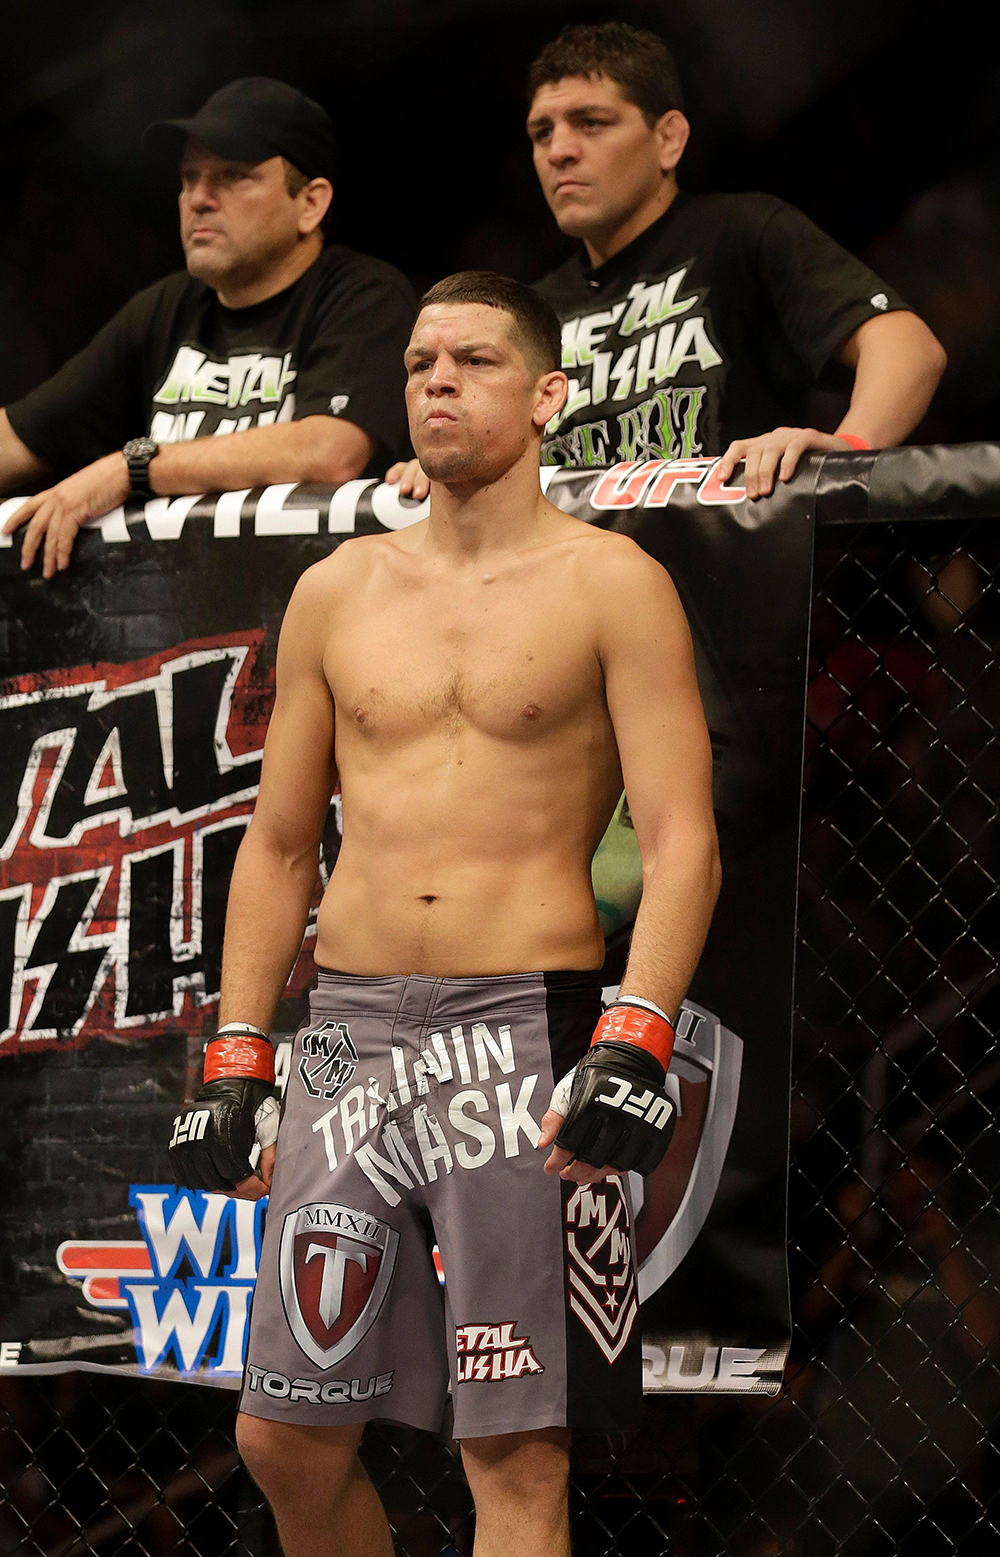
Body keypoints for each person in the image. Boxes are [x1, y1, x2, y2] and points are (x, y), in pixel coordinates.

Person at [168, 271, 720, 1557]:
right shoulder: (339, 590)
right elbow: (282, 839)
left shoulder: (611, 583)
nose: (437, 383)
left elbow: (685, 837)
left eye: (472, 361)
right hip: (350, 1026)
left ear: (546, 396)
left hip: (517, 1023)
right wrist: (242, 1048)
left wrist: (635, 1036)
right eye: (420, 363)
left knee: (514, 1452)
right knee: (281, 1436)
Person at [387, 20, 946, 504]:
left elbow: (907, 348)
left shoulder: (739, 233)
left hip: (724, 592)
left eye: (591, 122)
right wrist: (451, 461)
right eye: (542, 131)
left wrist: (848, 452)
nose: (558, 150)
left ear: (669, 139)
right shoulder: (535, 307)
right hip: (570, 601)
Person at [1, 77, 415, 579]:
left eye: (233, 175)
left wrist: (129, 469)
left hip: (318, 616)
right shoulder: (165, 307)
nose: (198, 198)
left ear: (310, 203)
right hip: (176, 620)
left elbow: (329, 451)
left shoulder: (363, 296)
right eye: (189, 177)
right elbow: (18, 440)